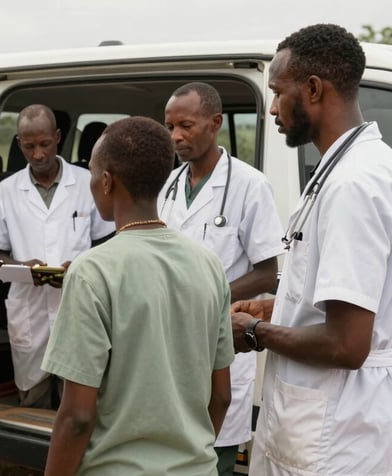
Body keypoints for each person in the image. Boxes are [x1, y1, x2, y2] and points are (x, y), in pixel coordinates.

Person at [231, 24, 392, 475]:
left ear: (314, 89)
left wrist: (252, 333)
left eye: (279, 92)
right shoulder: (340, 170)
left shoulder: (353, 185)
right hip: (319, 420)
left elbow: (347, 344)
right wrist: (276, 309)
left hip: (336, 431)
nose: (274, 108)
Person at [42, 116, 233, 475]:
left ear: (107, 181)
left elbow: (77, 418)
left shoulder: (93, 271)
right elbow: (221, 395)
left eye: (93, 176)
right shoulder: (209, 264)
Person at [158, 82, 284, 474]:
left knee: (217, 452)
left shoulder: (250, 185)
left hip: (221, 339)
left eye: (186, 125)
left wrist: (208, 296)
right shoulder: (168, 185)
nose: (176, 136)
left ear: (214, 123)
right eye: (170, 126)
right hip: (170, 336)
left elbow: (270, 271)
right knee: (171, 447)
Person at [0, 104, 115, 408]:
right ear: (18, 144)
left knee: (80, 396)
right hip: (30, 306)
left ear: (57, 137)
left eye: (44, 144)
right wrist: (22, 267)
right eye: (29, 147)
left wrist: (77, 267)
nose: (38, 154)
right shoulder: (6, 191)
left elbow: (107, 244)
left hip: (79, 302)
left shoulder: (86, 183)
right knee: (33, 396)